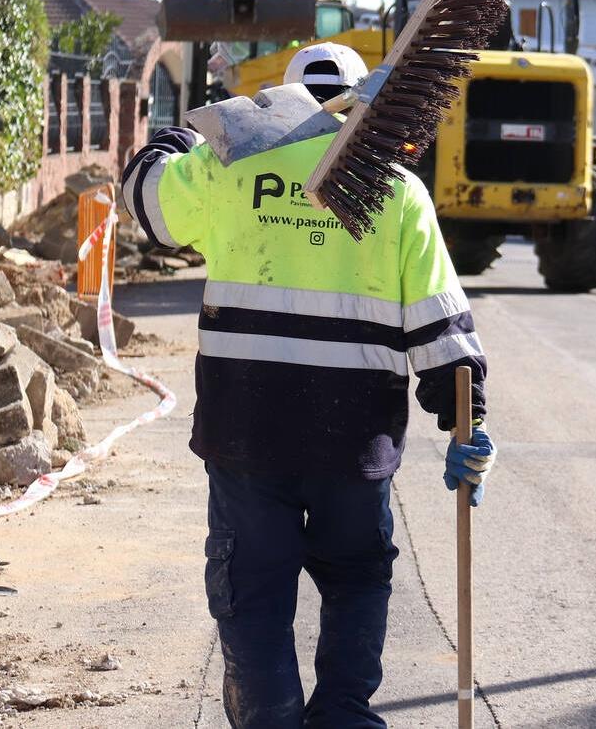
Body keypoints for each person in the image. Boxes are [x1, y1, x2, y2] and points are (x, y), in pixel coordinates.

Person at [120, 41, 496, 729]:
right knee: (356, 579)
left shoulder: (231, 169)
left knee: (254, 590)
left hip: (247, 435)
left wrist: (174, 138)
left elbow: (147, 206)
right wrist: (466, 420)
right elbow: (442, 332)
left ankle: (271, 719)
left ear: (285, 99)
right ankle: (346, 716)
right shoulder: (396, 191)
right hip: (354, 444)